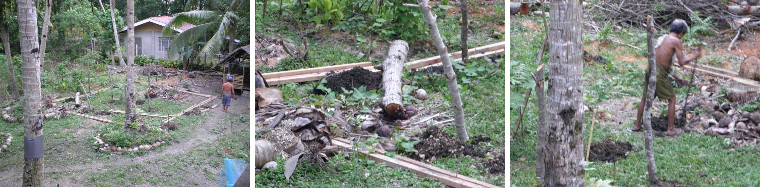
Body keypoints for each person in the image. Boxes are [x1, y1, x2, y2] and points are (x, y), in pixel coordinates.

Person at [633, 19, 701, 136]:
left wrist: (677, 78)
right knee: (672, 99)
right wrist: (694, 56)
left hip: (650, 69)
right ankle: (671, 129)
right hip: (659, 73)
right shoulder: (676, 40)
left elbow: (663, 62)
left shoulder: (663, 38)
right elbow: (682, 62)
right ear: (681, 33)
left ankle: (637, 125)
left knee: (645, 98)